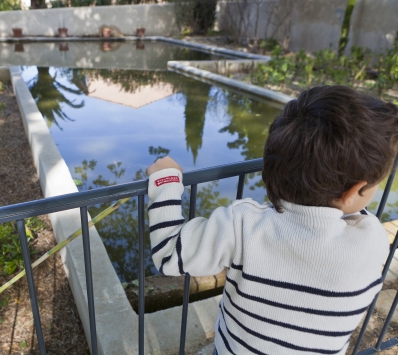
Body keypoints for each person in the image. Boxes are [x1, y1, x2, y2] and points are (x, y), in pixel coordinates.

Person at [145, 85, 398, 354]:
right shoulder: (371, 240)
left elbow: (169, 254)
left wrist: (166, 180)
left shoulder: (244, 225)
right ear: (352, 192)